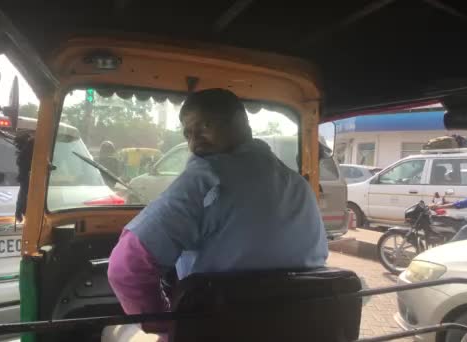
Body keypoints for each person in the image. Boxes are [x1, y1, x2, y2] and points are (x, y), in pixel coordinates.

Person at [106, 88, 328, 340]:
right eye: (188, 134)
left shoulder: (206, 178)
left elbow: (127, 268)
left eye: (204, 127)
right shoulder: (300, 186)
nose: (194, 143)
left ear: (241, 123)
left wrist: (166, 324)